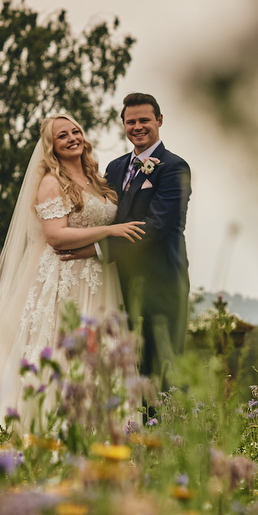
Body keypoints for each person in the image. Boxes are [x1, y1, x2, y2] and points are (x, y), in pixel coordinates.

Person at [0, 115, 144, 431]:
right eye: (63, 136)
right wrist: (110, 231)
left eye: (76, 131)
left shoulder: (97, 179)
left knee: (102, 350)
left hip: (100, 278)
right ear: (52, 147)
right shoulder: (51, 183)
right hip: (67, 277)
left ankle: (104, 428)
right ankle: (50, 427)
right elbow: (56, 236)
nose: (72, 138)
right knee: (65, 348)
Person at [61, 92, 191, 384]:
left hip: (161, 286)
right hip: (117, 286)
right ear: (123, 125)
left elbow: (155, 227)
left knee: (162, 371)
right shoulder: (115, 168)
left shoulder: (174, 168)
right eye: (131, 121)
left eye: (145, 120)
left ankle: (167, 430)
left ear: (159, 120)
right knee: (126, 368)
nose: (138, 127)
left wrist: (95, 248)